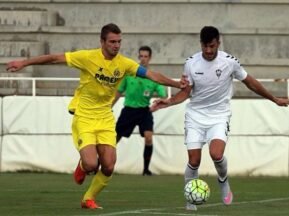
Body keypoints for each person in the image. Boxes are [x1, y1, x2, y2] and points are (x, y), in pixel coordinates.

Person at [6, 23, 187, 210]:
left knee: (108, 166)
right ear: (102, 42)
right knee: (92, 164)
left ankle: (88, 198)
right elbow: (54, 58)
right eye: (112, 42)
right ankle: (83, 166)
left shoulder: (124, 63)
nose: (116, 46)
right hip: (84, 116)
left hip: (105, 118)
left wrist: (176, 84)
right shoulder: (87, 57)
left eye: (119, 42)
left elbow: (152, 75)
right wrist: (24, 63)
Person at [150, 26, 289, 211]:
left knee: (216, 154)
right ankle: (190, 198)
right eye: (205, 46)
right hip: (195, 116)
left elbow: (250, 82)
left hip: (219, 115)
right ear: (200, 44)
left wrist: (274, 99)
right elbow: (186, 92)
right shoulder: (191, 63)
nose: (208, 51)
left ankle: (223, 181)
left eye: (212, 46)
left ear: (218, 43)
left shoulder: (229, 62)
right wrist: (168, 102)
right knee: (194, 161)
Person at [113, 46, 167, 176]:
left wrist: (158, 103)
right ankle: (99, 163)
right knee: (115, 138)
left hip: (144, 111)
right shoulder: (130, 74)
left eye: (145, 56)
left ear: (150, 58)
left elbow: (163, 94)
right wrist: (108, 106)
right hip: (129, 110)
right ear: (138, 57)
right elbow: (119, 92)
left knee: (149, 137)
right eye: (141, 56)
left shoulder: (152, 77)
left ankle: (146, 170)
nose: (143, 59)